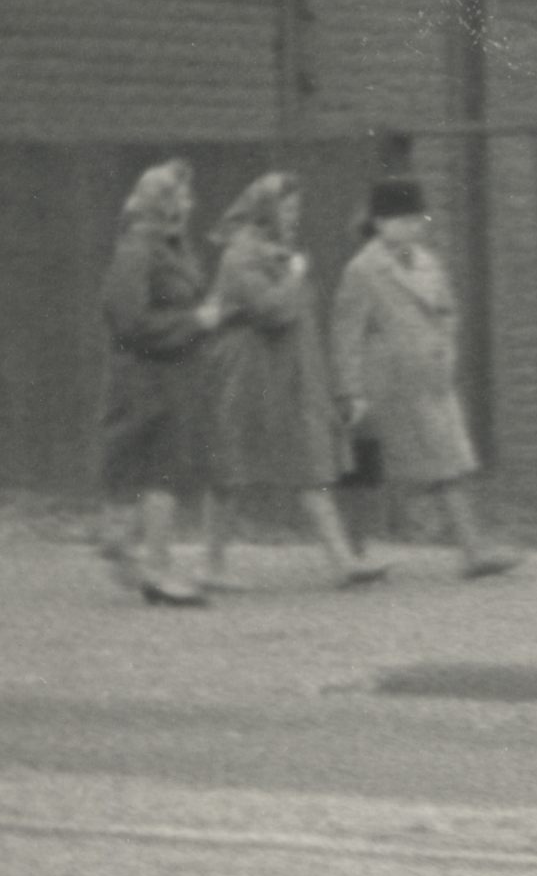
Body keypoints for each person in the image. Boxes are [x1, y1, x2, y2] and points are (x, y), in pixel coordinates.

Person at [330, 176, 519, 580]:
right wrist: (350, 390)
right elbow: (346, 335)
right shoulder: (363, 270)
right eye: (403, 220)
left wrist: (446, 346)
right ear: (380, 223)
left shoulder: (428, 262)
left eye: (417, 220)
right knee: (370, 468)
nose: (413, 227)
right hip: (384, 384)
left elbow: (448, 309)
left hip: (430, 380)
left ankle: (472, 551)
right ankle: (354, 555)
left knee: (446, 459)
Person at [202, 173, 383, 590]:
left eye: (296, 209)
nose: (292, 217)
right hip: (248, 374)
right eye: (285, 209)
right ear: (264, 209)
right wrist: (295, 276)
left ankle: (343, 563)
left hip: (288, 373)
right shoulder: (240, 254)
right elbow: (270, 311)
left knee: (307, 463)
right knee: (232, 468)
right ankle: (211, 567)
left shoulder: (279, 253)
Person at [96, 158, 218, 606]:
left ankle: (135, 553)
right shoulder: (139, 248)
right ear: (159, 203)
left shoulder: (173, 248)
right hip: (146, 378)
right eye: (179, 196)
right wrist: (195, 322)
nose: (189, 204)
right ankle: (148, 564)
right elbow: (128, 320)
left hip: (175, 375)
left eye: (188, 195)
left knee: (163, 470)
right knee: (154, 469)